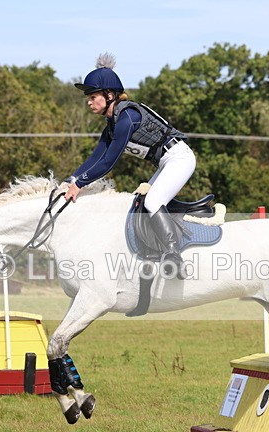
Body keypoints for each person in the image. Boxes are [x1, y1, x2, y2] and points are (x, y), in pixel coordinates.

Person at [64, 53, 196, 275]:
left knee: (153, 200)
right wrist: (70, 180)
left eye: (92, 96)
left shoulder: (127, 118)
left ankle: (174, 255)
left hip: (179, 157)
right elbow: (95, 157)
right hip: (166, 161)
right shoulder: (113, 124)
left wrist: (81, 184)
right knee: (141, 201)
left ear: (109, 95)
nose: (88, 101)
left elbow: (108, 162)